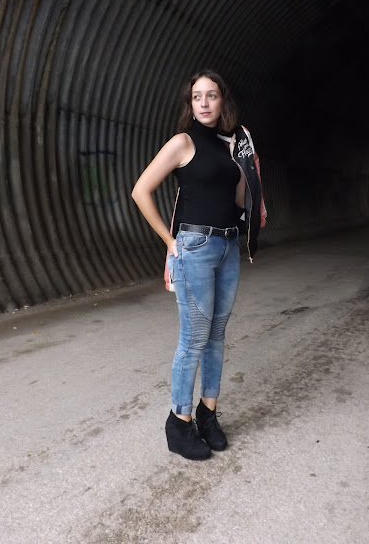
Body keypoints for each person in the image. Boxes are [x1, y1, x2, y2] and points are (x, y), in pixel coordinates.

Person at [132, 69, 257, 461]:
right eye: (197, 96)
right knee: (194, 338)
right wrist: (171, 242)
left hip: (228, 246)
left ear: (223, 101)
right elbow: (140, 190)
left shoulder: (230, 145)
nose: (204, 103)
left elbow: (239, 198)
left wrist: (250, 170)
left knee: (217, 334)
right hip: (195, 246)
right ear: (190, 103)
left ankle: (208, 413)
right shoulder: (182, 142)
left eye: (211, 95)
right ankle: (179, 421)